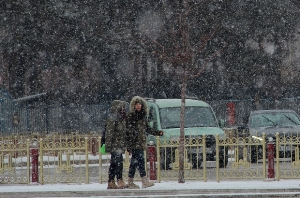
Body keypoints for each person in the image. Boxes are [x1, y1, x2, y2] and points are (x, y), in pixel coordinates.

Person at [126, 96, 164, 189]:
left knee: (134, 163)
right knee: (140, 161)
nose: (138, 106)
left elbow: (147, 128)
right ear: (133, 106)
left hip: (141, 142)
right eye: (136, 104)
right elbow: (128, 131)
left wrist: (157, 132)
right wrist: (129, 145)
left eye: (139, 104)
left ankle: (131, 181)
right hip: (135, 143)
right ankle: (143, 180)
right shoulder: (131, 117)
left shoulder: (143, 116)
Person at [105, 100, 128, 189]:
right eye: (121, 107)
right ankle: (119, 180)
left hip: (119, 145)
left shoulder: (122, 119)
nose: (123, 109)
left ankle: (111, 181)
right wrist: (109, 146)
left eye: (123, 107)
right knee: (118, 163)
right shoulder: (113, 119)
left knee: (114, 164)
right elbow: (109, 134)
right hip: (115, 146)